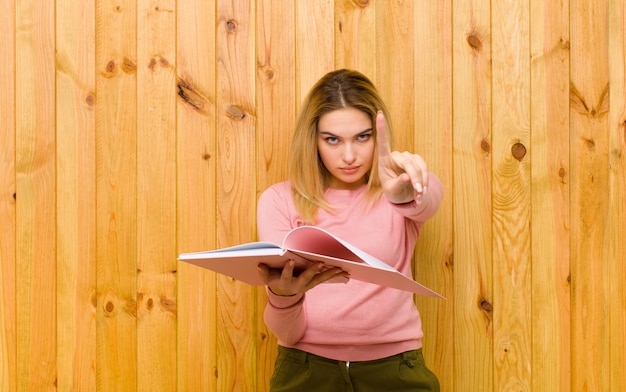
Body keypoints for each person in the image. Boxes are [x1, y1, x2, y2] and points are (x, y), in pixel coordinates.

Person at [256, 68, 443, 392]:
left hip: (396, 370)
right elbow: (287, 334)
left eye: (362, 137)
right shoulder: (278, 200)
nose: (349, 156)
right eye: (332, 139)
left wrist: (404, 193)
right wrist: (284, 296)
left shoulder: (402, 192)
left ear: (377, 135)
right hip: (306, 370)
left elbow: (430, 199)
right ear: (312, 139)